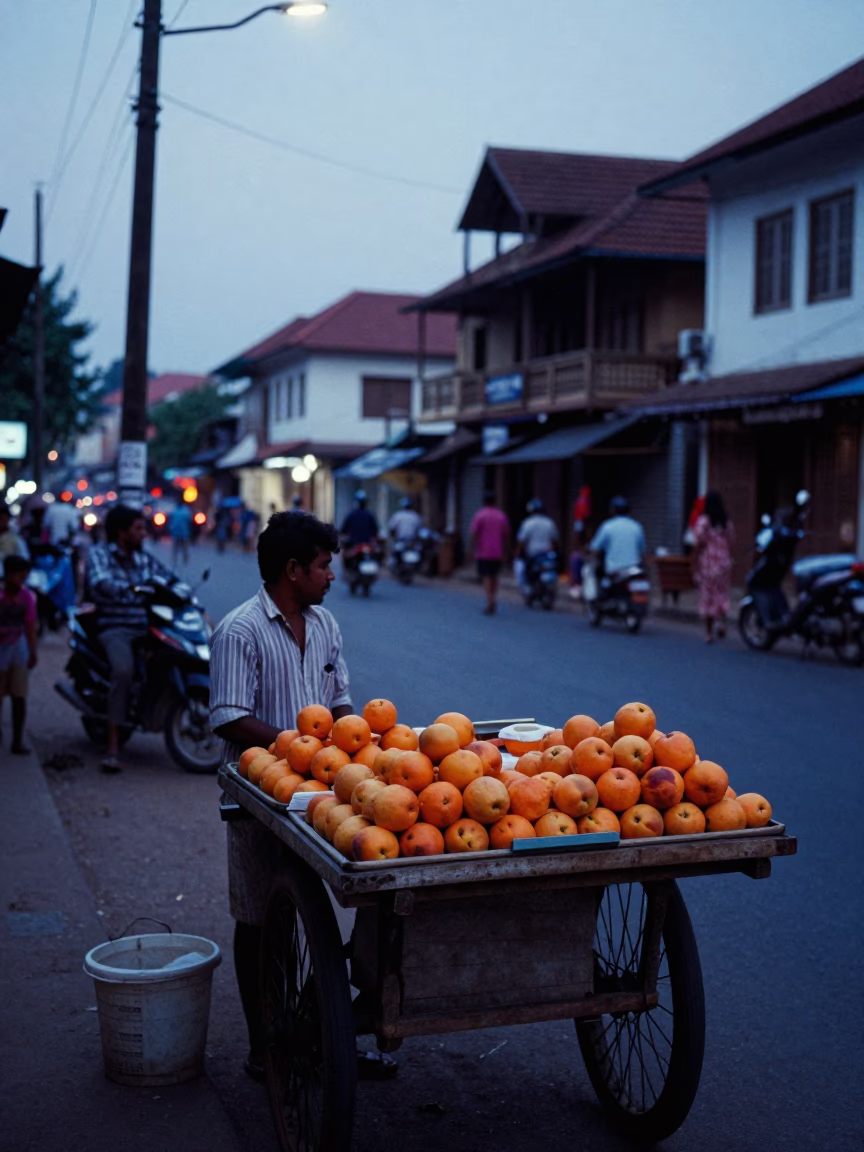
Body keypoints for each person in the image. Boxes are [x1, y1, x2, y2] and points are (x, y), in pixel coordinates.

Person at [209, 512, 357, 1078]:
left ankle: (331, 1030)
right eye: (323, 566)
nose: (331, 577)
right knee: (258, 920)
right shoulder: (240, 629)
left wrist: (358, 744)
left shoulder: (325, 625)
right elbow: (229, 718)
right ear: (293, 570)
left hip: (323, 797)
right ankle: (263, 1044)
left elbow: (340, 700)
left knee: (337, 908)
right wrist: (299, 746)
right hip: (257, 799)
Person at [86, 504, 174, 772]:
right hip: (115, 628)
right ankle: (112, 747)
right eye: (138, 528)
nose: (144, 534)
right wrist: (133, 588)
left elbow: (168, 578)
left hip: (145, 627)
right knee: (123, 672)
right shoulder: (99, 555)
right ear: (121, 532)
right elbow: (101, 583)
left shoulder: (143, 558)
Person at [0, 555, 38, 754]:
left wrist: (32, 651)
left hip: (17, 647)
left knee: (19, 695)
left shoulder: (27, 597)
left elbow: (30, 626)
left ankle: (17, 739)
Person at [692, 491, 734, 643]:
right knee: (721, 594)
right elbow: (731, 541)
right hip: (724, 562)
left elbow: (699, 543)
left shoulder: (704, 521)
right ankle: (721, 622)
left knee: (708, 596)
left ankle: (709, 633)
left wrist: (694, 562)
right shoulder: (726, 521)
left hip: (709, 562)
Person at [470, 490, 510, 615]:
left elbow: (474, 533)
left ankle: (490, 600)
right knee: (494, 576)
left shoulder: (480, 515)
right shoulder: (501, 516)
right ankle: (493, 597)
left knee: (486, 576)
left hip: (484, 552)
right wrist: (507, 551)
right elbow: (506, 535)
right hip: (497, 552)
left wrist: (471, 548)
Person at [590, 496, 646, 574]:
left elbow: (595, 549)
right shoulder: (636, 526)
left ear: (613, 510)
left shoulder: (607, 526)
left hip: (615, 571)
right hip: (634, 570)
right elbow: (642, 552)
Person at [515, 498, 559, 590]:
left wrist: (518, 553)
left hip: (533, 554)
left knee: (520, 568)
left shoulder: (528, 523)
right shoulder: (549, 523)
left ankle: (526, 587)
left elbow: (522, 541)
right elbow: (555, 540)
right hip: (546, 554)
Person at [168, 500, 193, 566]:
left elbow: (189, 521)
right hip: (179, 532)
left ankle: (183, 560)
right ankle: (177, 560)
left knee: (182, 548)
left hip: (181, 532)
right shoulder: (183, 510)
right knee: (178, 547)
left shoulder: (182, 510)